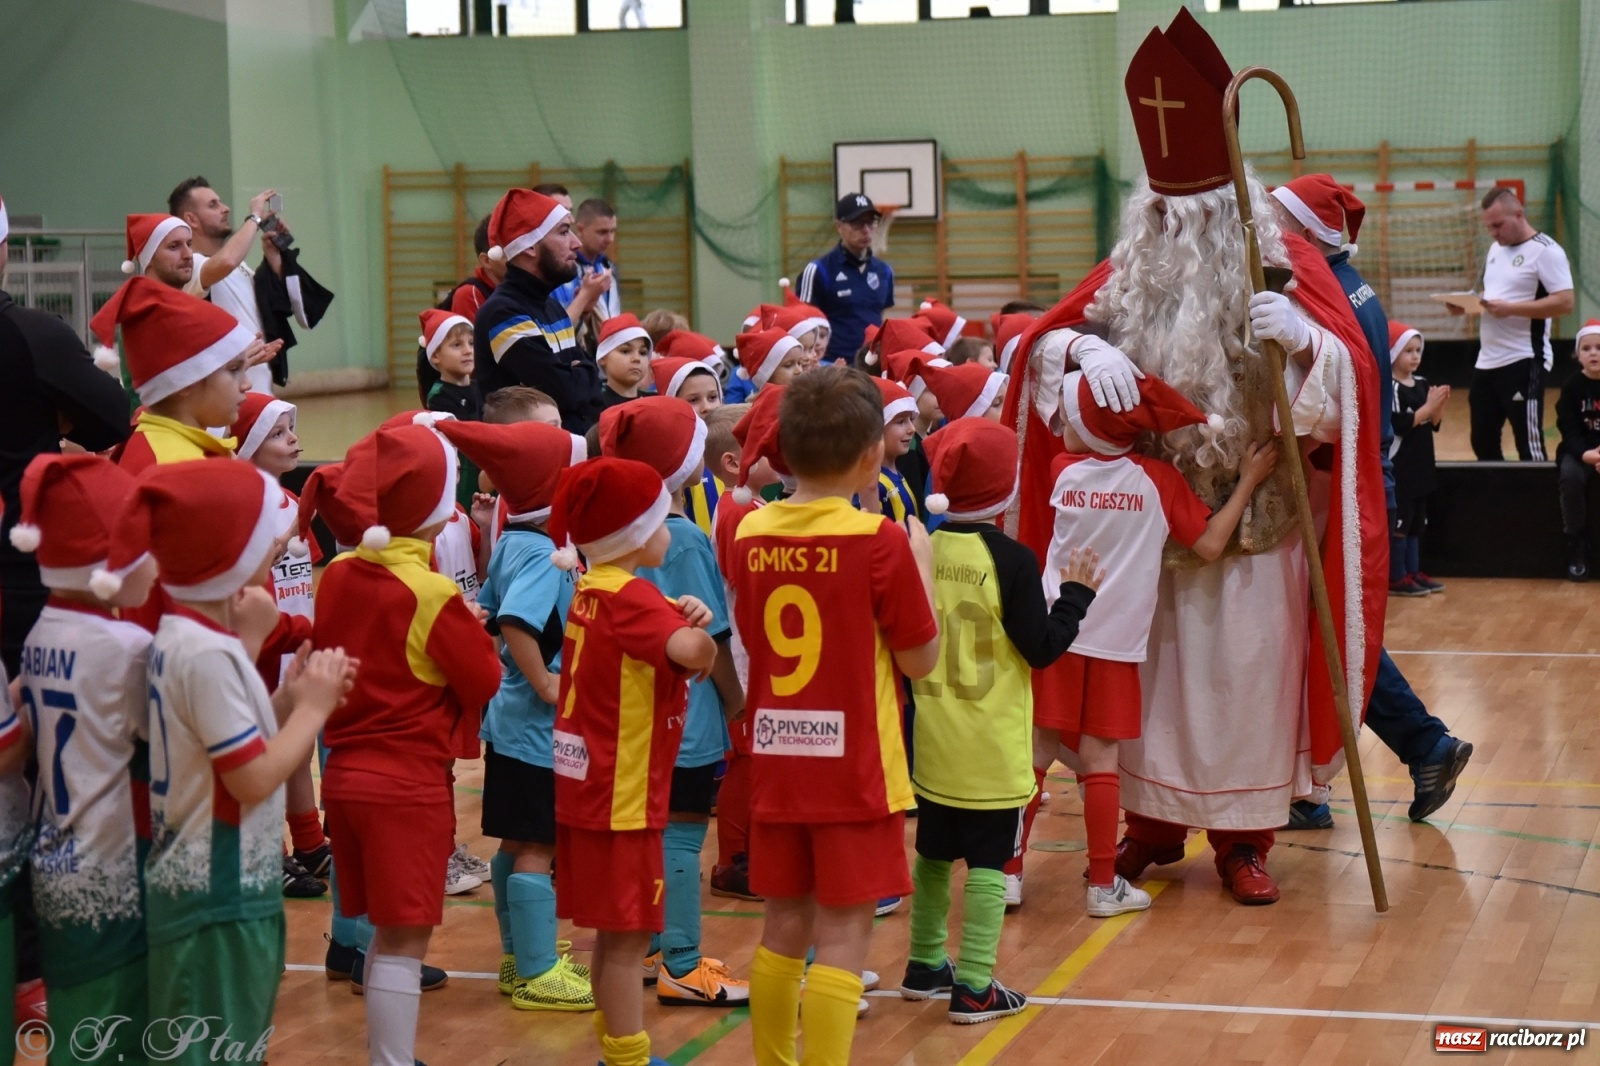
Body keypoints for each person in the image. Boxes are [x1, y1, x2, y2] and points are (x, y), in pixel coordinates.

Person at [1002, 9, 1388, 905]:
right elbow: (1040, 353)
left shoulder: (1285, 259)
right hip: (1148, 523)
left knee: (1244, 683)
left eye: (1197, 211)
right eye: (1163, 212)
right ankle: (1150, 827)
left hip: (1258, 521)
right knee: (1151, 691)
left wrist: (1302, 341)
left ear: (1230, 204)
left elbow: (1354, 379)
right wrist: (1073, 355)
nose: (1178, 228)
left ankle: (1244, 841)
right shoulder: (1130, 267)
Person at [94, 459, 355, 1066]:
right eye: (268, 538)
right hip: (217, 892)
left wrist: (286, 696)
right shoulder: (206, 653)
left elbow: (219, 741)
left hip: (212, 884)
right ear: (231, 556)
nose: (281, 547)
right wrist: (312, 711)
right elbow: (252, 777)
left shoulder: (194, 639)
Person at [732, 365, 940, 1066]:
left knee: (782, 921)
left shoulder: (750, 531)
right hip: (856, 769)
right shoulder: (881, 540)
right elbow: (920, 662)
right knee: (846, 932)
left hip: (777, 761)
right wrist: (923, 566)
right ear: (872, 455)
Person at [1026, 372, 1278, 912]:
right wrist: (1248, 483)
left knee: (1036, 753)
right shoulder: (1158, 481)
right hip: (1116, 645)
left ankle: (1007, 872)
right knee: (1101, 760)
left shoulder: (1060, 471)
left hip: (1056, 636)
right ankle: (1101, 887)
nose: (1060, 426)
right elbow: (1211, 544)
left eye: (1069, 417)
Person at [1270, 173, 1473, 828]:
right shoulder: (1341, 286)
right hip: (1342, 477)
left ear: (1307, 231)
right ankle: (1312, 787)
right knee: (1317, 628)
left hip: (1341, 480)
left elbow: (1341, 391)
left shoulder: (1335, 296)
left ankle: (1420, 745)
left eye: (1280, 218)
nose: (1271, 230)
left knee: (1332, 630)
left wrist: (1295, 344)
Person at [899, 418, 1097, 1024]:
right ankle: (977, 984)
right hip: (991, 745)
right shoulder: (1011, 559)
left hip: (933, 737)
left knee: (933, 854)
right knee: (990, 862)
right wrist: (1077, 596)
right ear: (1008, 488)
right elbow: (1041, 648)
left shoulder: (924, 545)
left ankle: (926, 963)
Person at [314, 423, 500, 1066]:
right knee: (402, 939)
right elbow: (482, 676)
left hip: (341, 779)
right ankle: (391, 1060)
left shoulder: (336, 572)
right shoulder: (433, 591)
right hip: (405, 784)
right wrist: (468, 630)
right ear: (436, 506)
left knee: (384, 935)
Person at [545, 456, 719, 1066]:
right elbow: (696, 651)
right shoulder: (636, 600)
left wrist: (676, 612)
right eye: (661, 513)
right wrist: (693, 624)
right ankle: (627, 1057)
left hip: (589, 787)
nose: (668, 521)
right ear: (638, 533)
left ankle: (615, 1048)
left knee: (614, 936)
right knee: (625, 940)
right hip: (622, 797)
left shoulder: (596, 587)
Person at [434, 418, 593, 1012]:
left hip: (510, 724)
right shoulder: (543, 554)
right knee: (538, 846)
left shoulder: (514, 540)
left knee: (515, 843)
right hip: (534, 729)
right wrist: (546, 681)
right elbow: (517, 622)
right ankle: (536, 970)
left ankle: (516, 958)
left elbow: (494, 611)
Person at [598, 398, 750, 1008]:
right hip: (685, 711)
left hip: (635, 710)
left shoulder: (613, 533)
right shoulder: (681, 537)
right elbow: (711, 637)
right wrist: (737, 705)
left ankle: (659, 947)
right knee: (684, 836)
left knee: (656, 834)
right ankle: (684, 962)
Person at [10, 454, 155, 1063]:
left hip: (54, 854)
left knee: (79, 1025)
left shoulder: (43, 628)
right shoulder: (129, 647)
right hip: (112, 862)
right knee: (115, 1033)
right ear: (111, 565)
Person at [0, 192, 132, 675]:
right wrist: (55, 413)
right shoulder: (34, 335)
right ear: (4, 249)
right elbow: (112, 420)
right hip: (17, 579)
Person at [228, 392, 333, 897]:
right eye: (277, 432)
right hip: (260, 643)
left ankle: (310, 841)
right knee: (263, 746)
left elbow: (308, 576)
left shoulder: (295, 505)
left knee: (299, 744)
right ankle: (272, 852)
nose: (292, 439)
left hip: (297, 639)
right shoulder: (239, 510)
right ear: (245, 444)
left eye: (291, 428)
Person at [93, 277, 262, 477]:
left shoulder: (167, 447)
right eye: (233, 369)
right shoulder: (176, 470)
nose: (247, 384)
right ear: (184, 381)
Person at [474, 189, 602, 433]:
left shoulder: (551, 306)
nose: (576, 243)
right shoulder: (503, 313)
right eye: (564, 232)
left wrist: (581, 373)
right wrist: (582, 372)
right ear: (529, 247)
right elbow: (564, 392)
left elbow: (586, 385)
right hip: (527, 464)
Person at [1461, 187, 1574, 462]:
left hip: (1524, 359)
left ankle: (1540, 503)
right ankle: (1500, 500)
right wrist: (1469, 305)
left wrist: (1511, 309)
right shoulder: (1495, 250)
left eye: (1498, 225)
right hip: (1487, 361)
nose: (1494, 232)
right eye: (1489, 227)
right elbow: (1498, 296)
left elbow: (1565, 302)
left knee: (1529, 443)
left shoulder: (1546, 251)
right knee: (1482, 439)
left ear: (1519, 214)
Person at [170, 177, 287, 394]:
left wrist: (273, 257)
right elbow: (226, 261)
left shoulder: (240, 266)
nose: (226, 209)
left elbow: (268, 309)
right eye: (213, 205)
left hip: (260, 393)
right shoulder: (190, 266)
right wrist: (254, 218)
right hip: (225, 400)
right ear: (191, 219)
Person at [416, 216, 504, 404]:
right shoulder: (470, 293)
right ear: (487, 260)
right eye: (507, 249)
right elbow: (481, 359)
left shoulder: (513, 294)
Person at [797, 195, 895, 363]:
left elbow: (880, 316)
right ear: (839, 226)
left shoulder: (884, 271)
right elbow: (801, 323)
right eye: (857, 222)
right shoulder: (818, 270)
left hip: (871, 366)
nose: (866, 229)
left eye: (871, 222)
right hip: (831, 367)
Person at [1388, 323, 1448, 596]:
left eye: (1418, 350)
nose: (1414, 356)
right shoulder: (1392, 388)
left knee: (1416, 523)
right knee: (1402, 523)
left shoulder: (1422, 383)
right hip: (1402, 468)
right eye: (1407, 351)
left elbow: (1433, 424)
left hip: (1422, 466)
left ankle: (1413, 572)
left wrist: (1438, 407)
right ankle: (1397, 576)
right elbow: (1401, 424)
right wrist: (1428, 407)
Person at [1557, 319, 1600, 581]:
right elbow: (1569, 428)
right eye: (1587, 348)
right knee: (1570, 477)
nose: (1593, 353)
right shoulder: (1572, 387)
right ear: (1578, 354)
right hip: (1580, 451)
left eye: (1599, 347)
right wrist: (1586, 454)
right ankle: (1577, 542)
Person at [552, 197, 622, 325]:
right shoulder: (564, 270)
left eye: (613, 231)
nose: (610, 239)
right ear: (580, 229)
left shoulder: (609, 267)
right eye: (602, 232)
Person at [420, 310, 483, 422]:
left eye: (471, 343)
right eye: (457, 345)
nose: (468, 351)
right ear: (435, 355)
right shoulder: (439, 397)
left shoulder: (480, 387)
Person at [121, 212, 195, 290]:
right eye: (173, 247)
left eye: (189, 244)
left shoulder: (190, 301)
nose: (188, 255)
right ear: (149, 258)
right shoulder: (138, 301)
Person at [596, 313, 653, 409]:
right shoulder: (594, 405)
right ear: (603, 358)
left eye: (642, 353)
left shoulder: (654, 402)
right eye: (625, 351)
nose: (636, 358)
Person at [733, 327, 806, 394]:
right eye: (788, 365)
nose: (799, 370)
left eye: (799, 363)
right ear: (767, 375)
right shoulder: (767, 406)